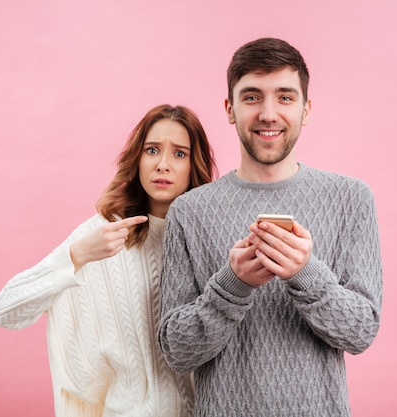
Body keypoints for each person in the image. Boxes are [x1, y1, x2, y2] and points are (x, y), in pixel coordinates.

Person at [158, 38, 383, 417]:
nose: (267, 113)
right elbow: (177, 353)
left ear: (306, 109)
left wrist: (306, 274)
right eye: (251, 97)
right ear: (229, 109)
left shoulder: (352, 199)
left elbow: (360, 334)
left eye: (284, 97)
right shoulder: (189, 211)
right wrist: (232, 284)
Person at [0, 104, 217, 417]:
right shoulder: (103, 232)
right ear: (137, 158)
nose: (163, 164)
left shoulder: (211, 238)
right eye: (152, 150)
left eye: (179, 153)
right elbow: (7, 310)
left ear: (195, 164)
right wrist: (78, 255)